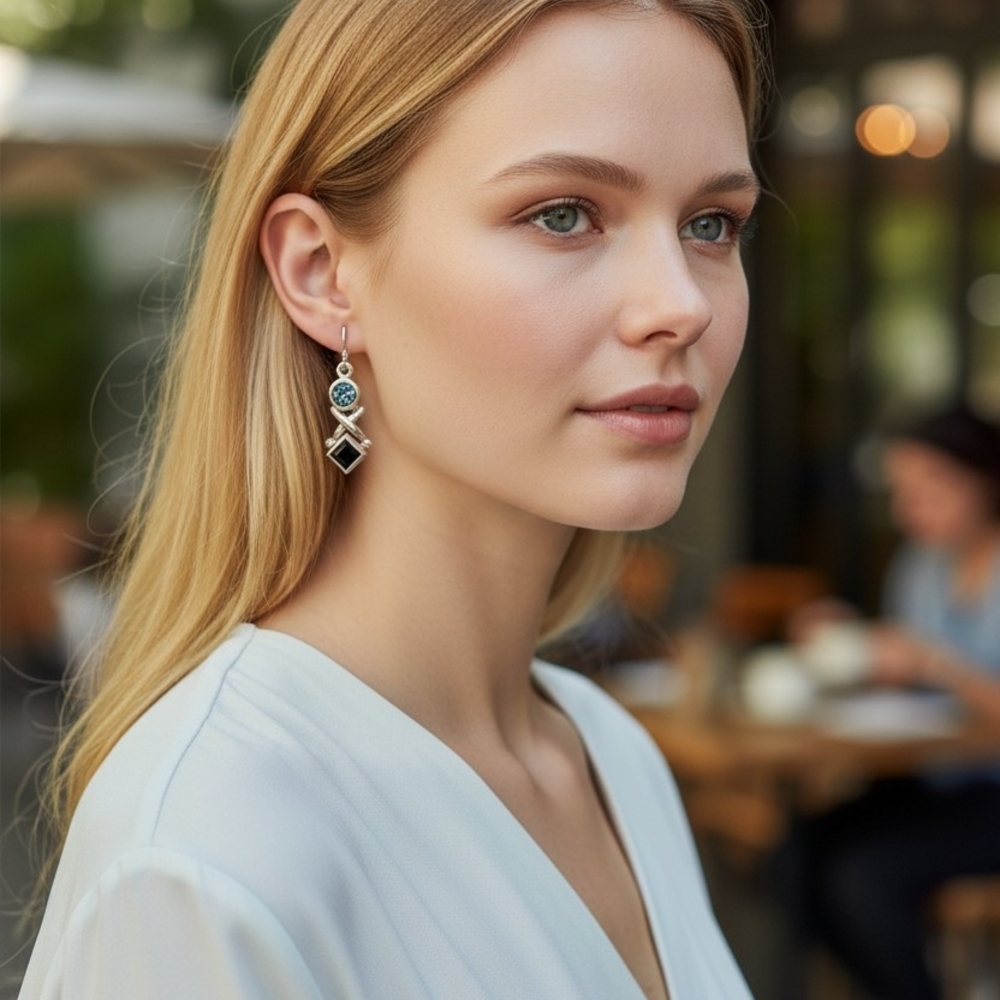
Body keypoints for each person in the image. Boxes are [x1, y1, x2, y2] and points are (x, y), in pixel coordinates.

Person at [20, 0, 768, 996]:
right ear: (321, 272)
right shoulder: (211, 846)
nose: (680, 300)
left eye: (710, 223)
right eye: (562, 213)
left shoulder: (610, 752)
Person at [799, 404, 1000, 1000]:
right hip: (941, 780)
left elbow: (933, 668)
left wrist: (933, 662)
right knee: (802, 849)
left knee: (863, 874)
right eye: (901, 493)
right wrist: (855, 647)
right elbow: (912, 687)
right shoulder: (921, 566)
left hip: (990, 791)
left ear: (984, 480)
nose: (908, 510)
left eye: (928, 489)